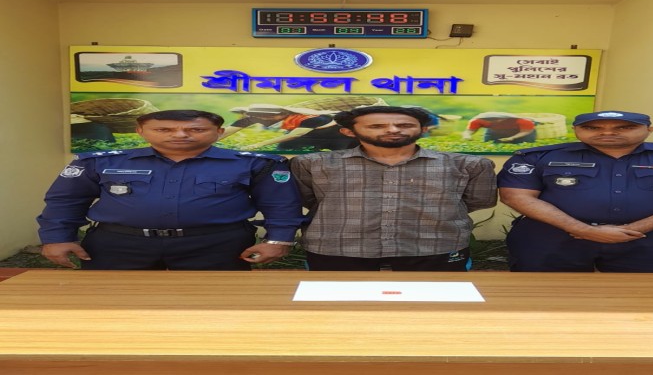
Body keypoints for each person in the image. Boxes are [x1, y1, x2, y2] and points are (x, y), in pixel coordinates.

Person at [37, 109, 305, 270]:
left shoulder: (254, 164)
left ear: (219, 132)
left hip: (215, 245)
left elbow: (281, 204)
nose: (180, 135)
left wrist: (278, 241)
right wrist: (57, 238)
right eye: (164, 129)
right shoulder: (101, 162)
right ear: (140, 131)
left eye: (195, 129)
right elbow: (66, 201)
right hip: (119, 244)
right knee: (114, 303)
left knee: (214, 306)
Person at [497, 110, 653, 276]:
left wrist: (633, 229)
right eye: (593, 127)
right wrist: (583, 229)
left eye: (624, 127)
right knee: (545, 297)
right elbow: (515, 196)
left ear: (650, 129)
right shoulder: (536, 157)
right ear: (576, 130)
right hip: (554, 239)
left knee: (649, 300)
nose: (607, 132)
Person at [289, 106, 497, 271]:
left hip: (435, 248)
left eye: (405, 125)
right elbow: (307, 200)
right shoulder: (312, 164)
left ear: (423, 129)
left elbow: (478, 201)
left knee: (433, 305)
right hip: (337, 249)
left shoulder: (468, 165)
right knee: (337, 305)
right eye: (376, 126)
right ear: (348, 132)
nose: (393, 130)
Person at [221, 103, 358, 151]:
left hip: (338, 138)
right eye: (261, 117)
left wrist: (258, 144)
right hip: (307, 139)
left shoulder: (312, 118)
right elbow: (227, 132)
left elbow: (295, 135)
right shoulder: (255, 117)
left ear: (284, 114)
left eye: (269, 117)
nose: (265, 119)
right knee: (283, 148)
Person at [462, 112, 537, 143]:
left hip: (521, 132)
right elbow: (470, 130)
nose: (493, 121)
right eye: (489, 119)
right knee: (491, 143)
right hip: (494, 131)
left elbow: (526, 131)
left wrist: (512, 138)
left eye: (496, 119)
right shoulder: (477, 121)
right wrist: (467, 135)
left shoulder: (521, 121)